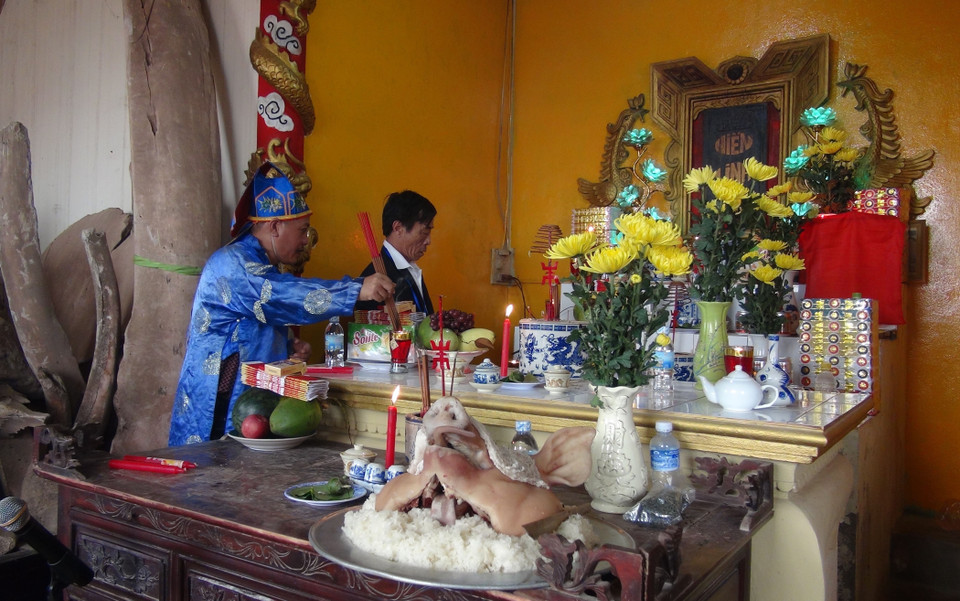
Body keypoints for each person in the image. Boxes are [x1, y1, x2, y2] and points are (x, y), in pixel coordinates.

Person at [168, 163, 394, 446]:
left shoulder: (263, 265)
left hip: (253, 408)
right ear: (274, 227)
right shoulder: (233, 263)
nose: (305, 242)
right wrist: (356, 289)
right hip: (220, 408)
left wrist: (286, 347)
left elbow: (251, 323)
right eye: (302, 231)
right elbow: (277, 294)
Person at [356, 190, 436, 314]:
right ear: (398, 228)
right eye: (425, 232)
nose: (428, 241)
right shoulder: (374, 279)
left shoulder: (410, 268)